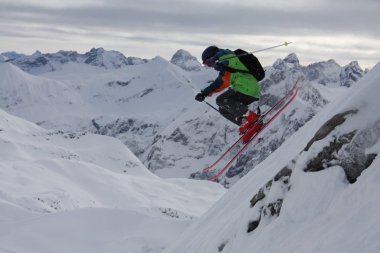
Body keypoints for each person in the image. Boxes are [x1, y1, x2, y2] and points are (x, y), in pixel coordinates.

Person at [195, 45, 262, 134]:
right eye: (207, 65)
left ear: (212, 57)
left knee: (221, 100)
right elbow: (217, 84)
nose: (210, 66)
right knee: (222, 109)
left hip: (248, 86)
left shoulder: (229, 56)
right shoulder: (225, 71)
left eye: (208, 63)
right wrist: (204, 94)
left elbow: (226, 57)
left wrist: (216, 58)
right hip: (244, 90)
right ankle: (245, 123)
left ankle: (252, 118)